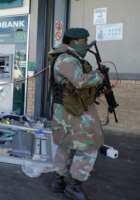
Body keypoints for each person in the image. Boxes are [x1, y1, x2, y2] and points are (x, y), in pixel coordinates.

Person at [49, 28, 104, 200]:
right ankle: (74, 186)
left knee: (66, 144)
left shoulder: (67, 57)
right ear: (73, 42)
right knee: (89, 145)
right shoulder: (66, 59)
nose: (86, 45)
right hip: (72, 110)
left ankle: (58, 181)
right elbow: (80, 81)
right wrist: (99, 75)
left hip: (68, 109)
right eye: (84, 42)